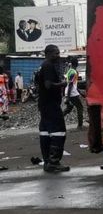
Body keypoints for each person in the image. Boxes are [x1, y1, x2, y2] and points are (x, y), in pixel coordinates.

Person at [36, 45, 70, 173]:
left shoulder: (43, 65)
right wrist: (62, 84)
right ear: (49, 53)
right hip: (51, 105)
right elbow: (48, 85)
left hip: (44, 104)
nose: (58, 55)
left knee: (45, 132)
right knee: (58, 131)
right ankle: (54, 162)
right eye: (56, 53)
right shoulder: (49, 65)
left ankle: (47, 162)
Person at [62, 58, 84, 130]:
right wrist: (68, 97)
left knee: (69, 109)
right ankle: (80, 126)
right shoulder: (74, 72)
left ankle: (57, 121)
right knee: (80, 107)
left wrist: (80, 93)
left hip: (69, 92)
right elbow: (71, 85)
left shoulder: (69, 71)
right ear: (77, 63)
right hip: (72, 94)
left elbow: (73, 84)